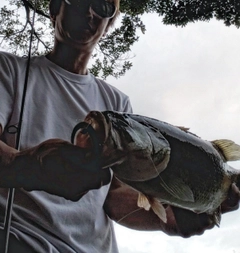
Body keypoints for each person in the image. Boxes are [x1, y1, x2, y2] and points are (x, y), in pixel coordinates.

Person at [0, 0, 239, 252]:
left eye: (103, 7)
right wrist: (29, 166)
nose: (89, 12)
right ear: (55, 8)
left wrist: (167, 220)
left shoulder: (116, 102)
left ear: (108, 25)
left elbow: (113, 195)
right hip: (20, 240)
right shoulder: (8, 69)